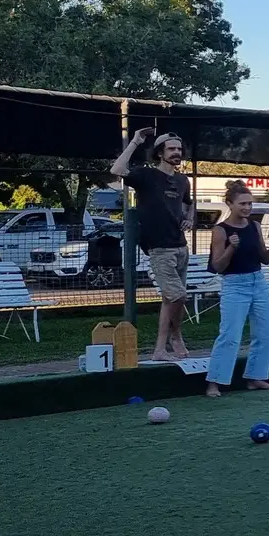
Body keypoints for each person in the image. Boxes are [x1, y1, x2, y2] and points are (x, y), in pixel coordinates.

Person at [110, 127, 193, 362]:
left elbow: (189, 203)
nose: (177, 153)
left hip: (181, 247)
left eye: (179, 149)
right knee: (178, 296)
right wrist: (135, 141)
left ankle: (160, 350)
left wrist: (190, 217)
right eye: (171, 149)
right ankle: (174, 337)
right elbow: (116, 169)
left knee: (171, 299)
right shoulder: (146, 176)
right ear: (159, 153)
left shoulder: (182, 180)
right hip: (159, 248)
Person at [204, 180, 269, 397]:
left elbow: (264, 259)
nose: (247, 208)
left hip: (258, 282)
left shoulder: (255, 226)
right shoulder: (220, 230)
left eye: (250, 204)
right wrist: (231, 247)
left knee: (265, 333)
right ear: (230, 204)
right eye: (242, 204)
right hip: (234, 285)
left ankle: (256, 378)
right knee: (229, 335)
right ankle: (214, 382)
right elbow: (218, 266)